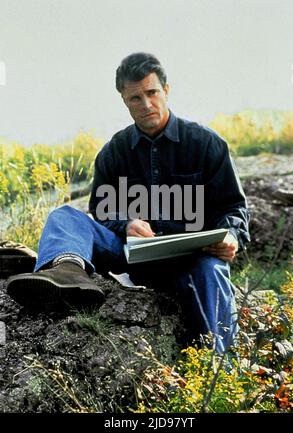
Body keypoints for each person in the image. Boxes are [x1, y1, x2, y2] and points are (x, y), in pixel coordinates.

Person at [7, 52, 250, 353]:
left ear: (166, 90)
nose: (146, 104)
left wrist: (231, 236)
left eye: (152, 93)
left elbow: (233, 207)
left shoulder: (206, 144)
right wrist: (127, 223)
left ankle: (221, 366)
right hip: (132, 254)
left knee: (212, 269)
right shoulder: (114, 151)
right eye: (135, 98)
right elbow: (102, 210)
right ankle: (66, 273)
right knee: (65, 217)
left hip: (192, 258)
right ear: (124, 99)